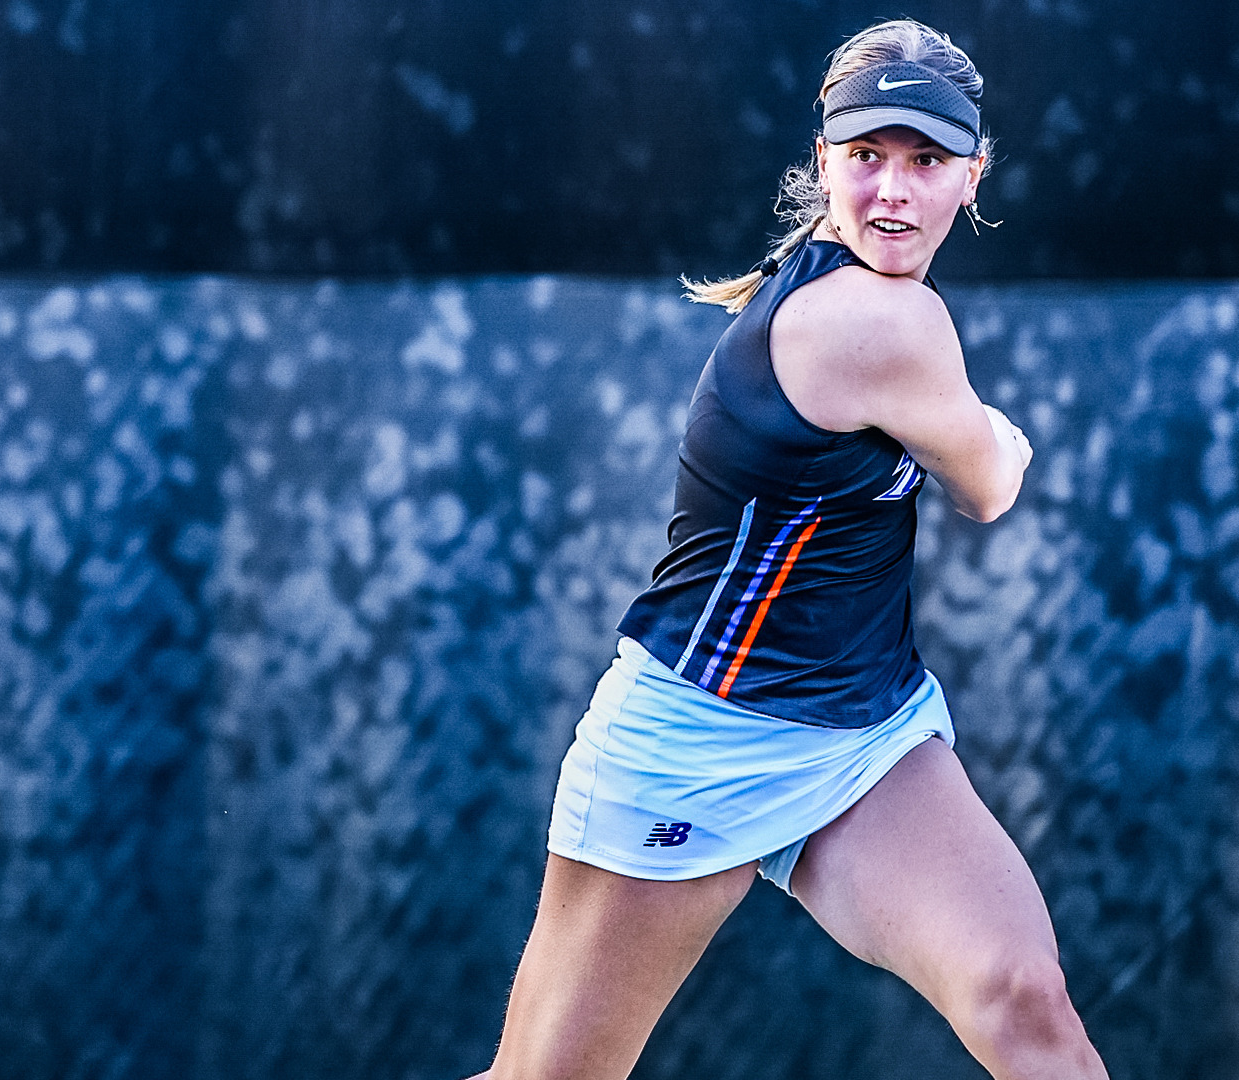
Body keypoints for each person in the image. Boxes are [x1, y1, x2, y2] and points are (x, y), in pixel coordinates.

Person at [466, 19, 1110, 1080]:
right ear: (824, 162)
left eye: (926, 160)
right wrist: (997, 430)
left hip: (868, 740)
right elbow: (990, 483)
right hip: (691, 745)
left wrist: (966, 425)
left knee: (1023, 996)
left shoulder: (887, 308)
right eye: (867, 157)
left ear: (973, 174)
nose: (893, 190)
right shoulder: (873, 323)